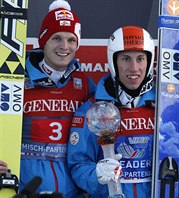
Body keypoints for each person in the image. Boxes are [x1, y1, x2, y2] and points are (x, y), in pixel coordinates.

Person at [67, 25, 179, 198]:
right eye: (126, 59)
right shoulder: (92, 111)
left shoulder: (165, 109)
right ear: (113, 61)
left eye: (140, 59)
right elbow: (78, 164)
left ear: (149, 62)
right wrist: (96, 175)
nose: (134, 68)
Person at [14, 0, 95, 197]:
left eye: (71, 40)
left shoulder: (85, 84)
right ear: (44, 41)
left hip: (71, 192)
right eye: (56, 38)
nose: (64, 46)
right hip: (27, 190)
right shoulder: (17, 79)